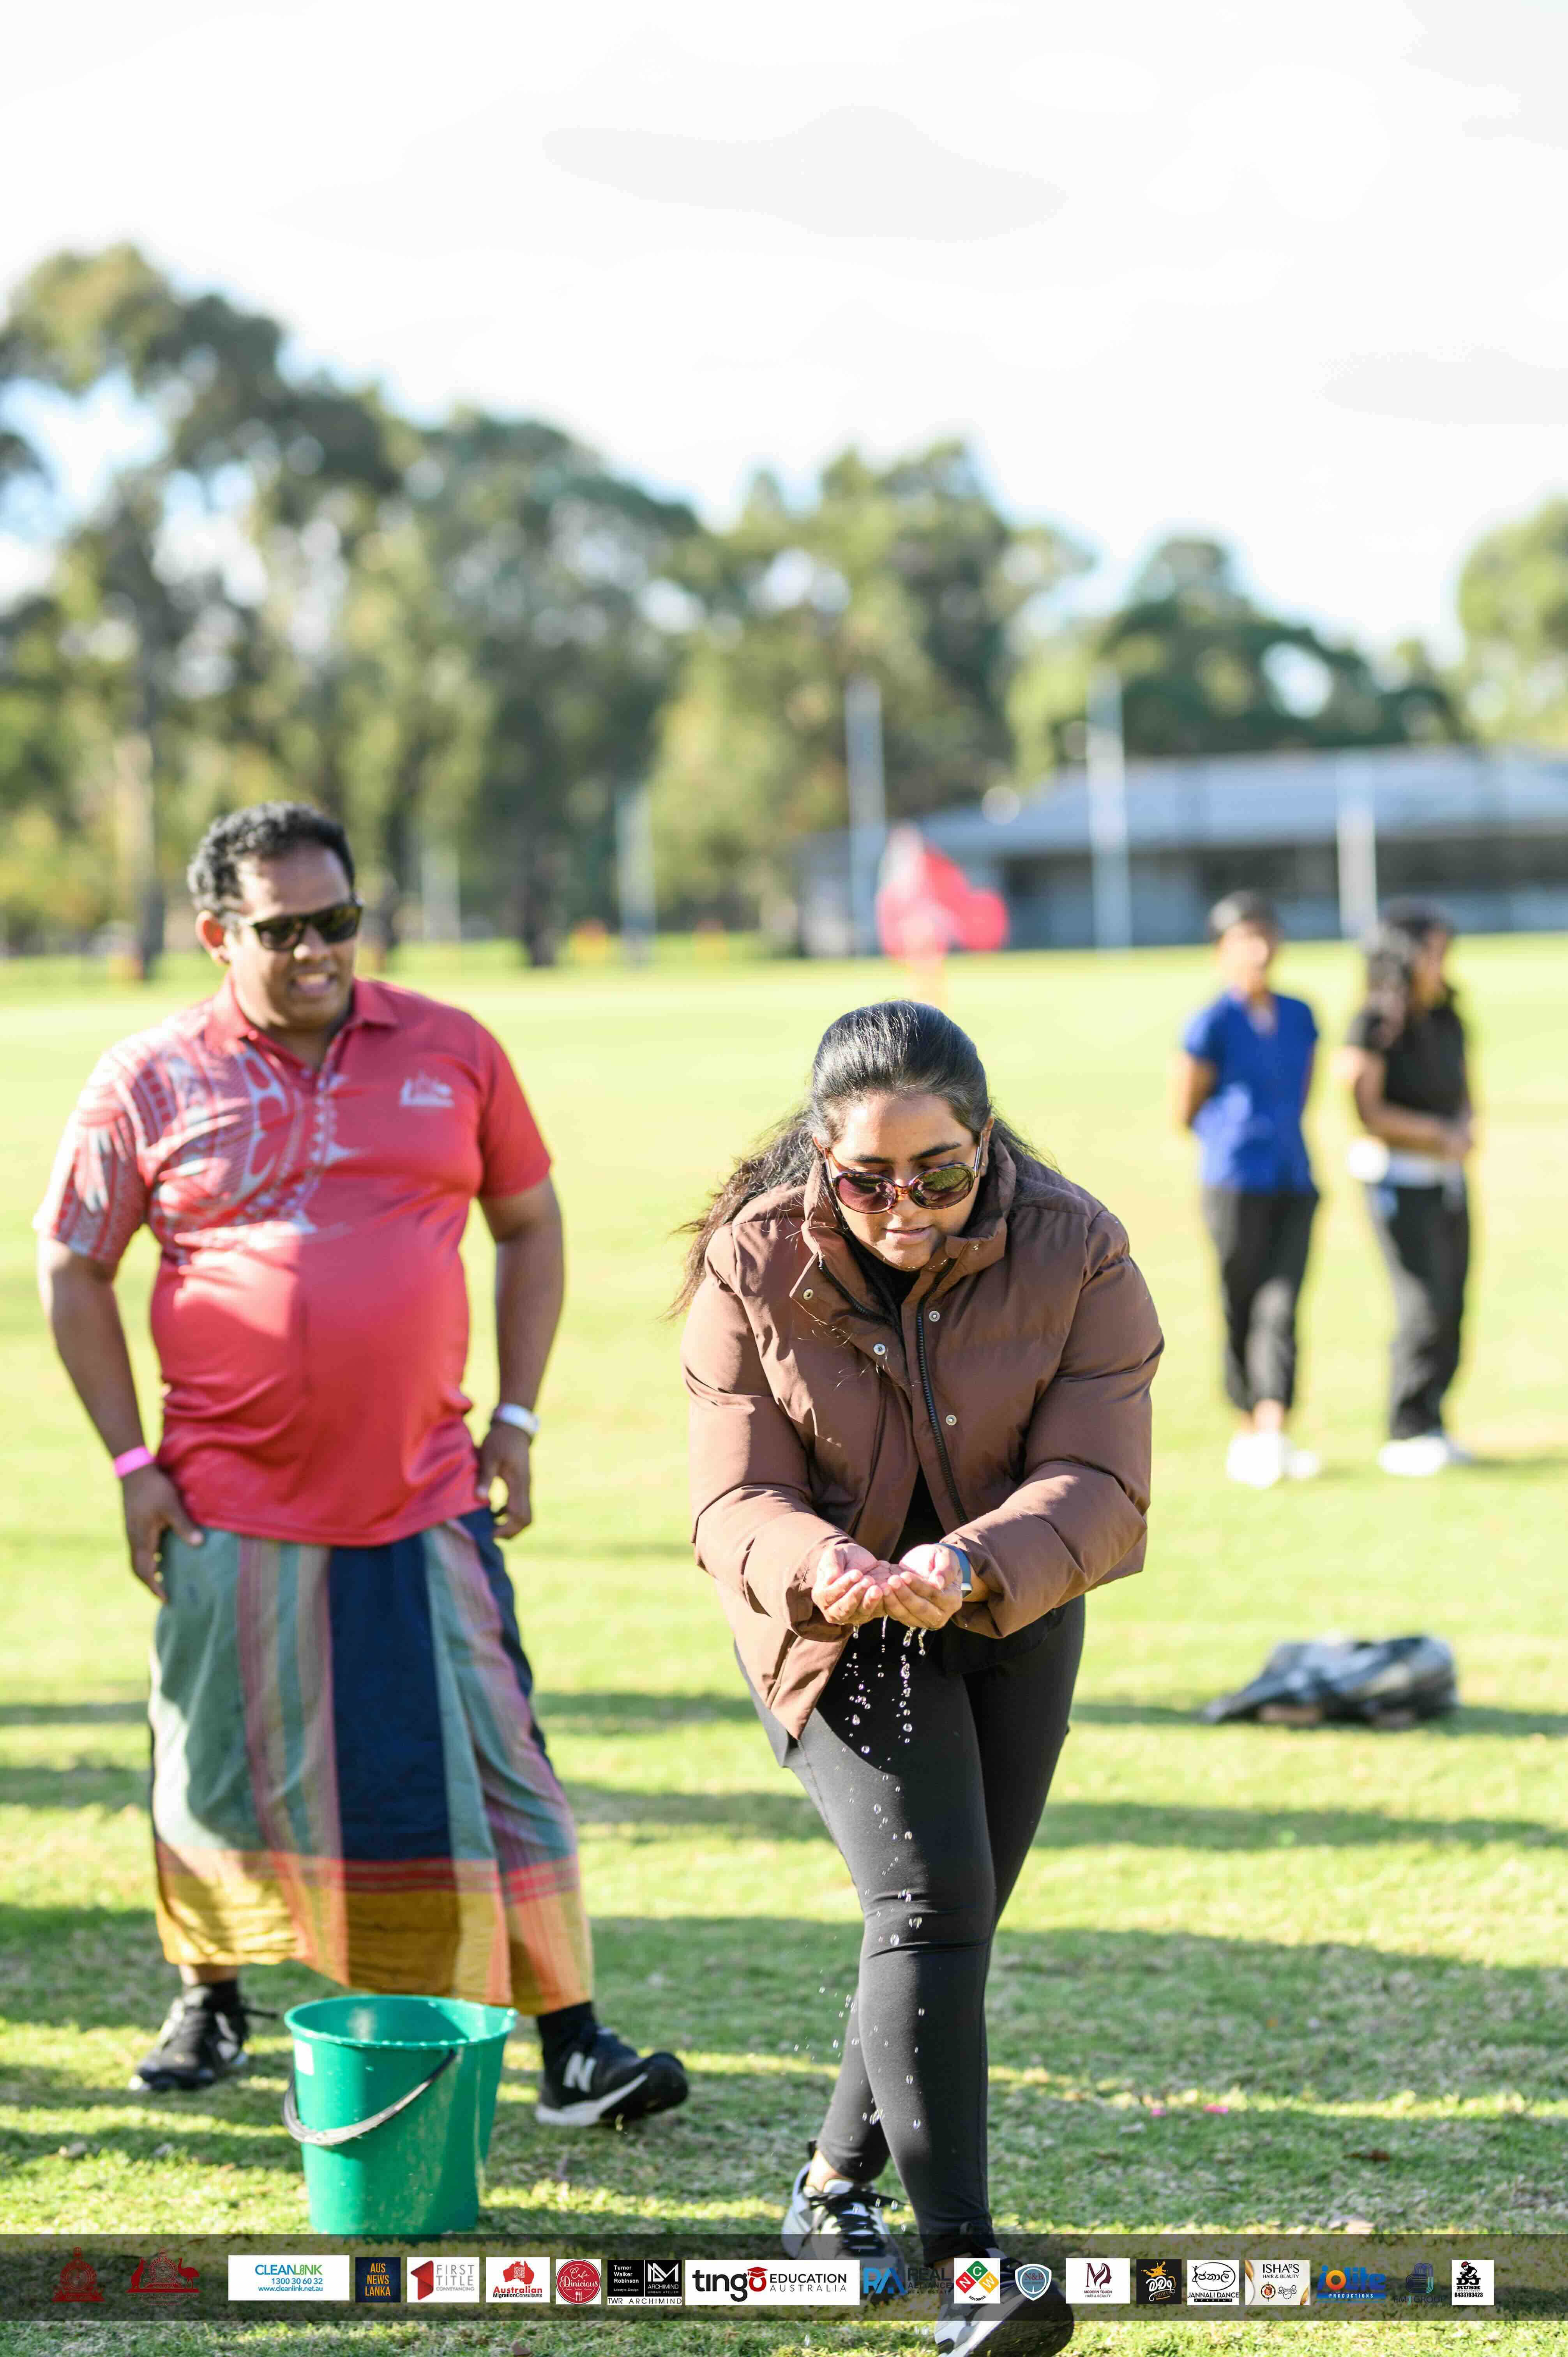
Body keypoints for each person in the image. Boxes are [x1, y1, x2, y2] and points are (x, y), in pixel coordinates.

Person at [35, 801, 686, 2130]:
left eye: (341, 919)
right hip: (227, 1500)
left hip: (427, 1489)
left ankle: (570, 2040)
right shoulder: (145, 1077)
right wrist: (129, 1458)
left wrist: (520, 1418)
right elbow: (71, 1262)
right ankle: (210, 1997)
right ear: (218, 934)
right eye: (288, 930)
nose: (324, 949)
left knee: (498, 1756)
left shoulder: (452, 1046)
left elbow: (531, 1219)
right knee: (213, 1760)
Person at [677, 1001, 1162, 2357]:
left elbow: (1104, 1484)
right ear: (821, 1162)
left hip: (1004, 1598)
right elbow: (731, 1499)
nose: (905, 1206)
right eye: (867, 1178)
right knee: (929, 1900)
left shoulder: (1078, 1247)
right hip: (828, 1621)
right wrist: (818, 1556)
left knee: (948, 1922)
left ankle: (830, 2187)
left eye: (939, 1175)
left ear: (986, 1141)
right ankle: (967, 2266)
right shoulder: (755, 1259)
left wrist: (966, 1560)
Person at [1172, 891, 1321, 1488]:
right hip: (1234, 1180)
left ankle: (1274, 1427)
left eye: (1266, 935)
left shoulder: (1302, 1014)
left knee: (1282, 1306)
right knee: (1241, 1298)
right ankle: (1246, 1425)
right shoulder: (1210, 1023)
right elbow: (1185, 1107)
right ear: (1221, 951)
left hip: (1294, 1176)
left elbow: (1303, 1092)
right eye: (1243, 939)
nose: (1258, 950)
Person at [1339, 901, 1475, 1475]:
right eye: (1432, 951)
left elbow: (1465, 1089)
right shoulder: (1371, 1025)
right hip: (1397, 1181)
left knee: (1453, 1302)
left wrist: (1464, 1129)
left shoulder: (1450, 1018)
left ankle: (1436, 1421)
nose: (1441, 962)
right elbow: (1366, 1111)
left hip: (1450, 1180)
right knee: (1421, 1303)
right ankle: (1407, 1428)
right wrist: (1436, 1134)